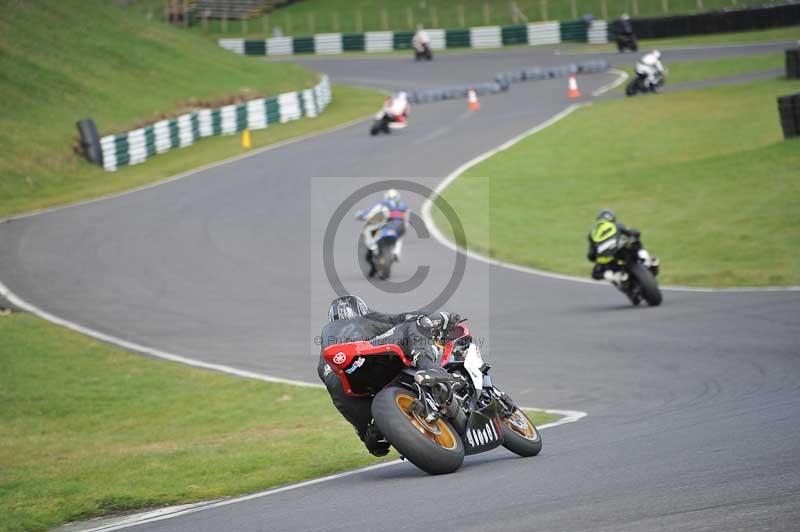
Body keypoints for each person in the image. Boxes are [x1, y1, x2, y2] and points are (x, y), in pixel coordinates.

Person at [317, 295, 457, 456]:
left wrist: (365, 434)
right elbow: (402, 318)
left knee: (338, 390)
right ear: (360, 310)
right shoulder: (364, 319)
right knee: (414, 323)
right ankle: (428, 366)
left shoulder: (324, 356)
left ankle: (373, 433)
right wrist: (443, 317)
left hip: (349, 385)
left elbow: (339, 399)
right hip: (371, 358)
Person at [587, 209, 657, 283]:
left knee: (595, 273)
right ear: (612, 218)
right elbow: (632, 232)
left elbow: (591, 254)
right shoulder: (617, 225)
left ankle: (614, 276)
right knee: (635, 240)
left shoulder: (592, 233)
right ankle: (647, 258)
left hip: (609, 259)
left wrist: (597, 257)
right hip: (620, 253)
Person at [356, 189, 409, 277]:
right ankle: (396, 252)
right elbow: (407, 220)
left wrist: (361, 215)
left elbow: (370, 214)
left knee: (367, 230)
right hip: (400, 227)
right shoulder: (404, 206)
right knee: (400, 237)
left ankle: (372, 245)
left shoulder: (383, 204)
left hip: (385, 226)